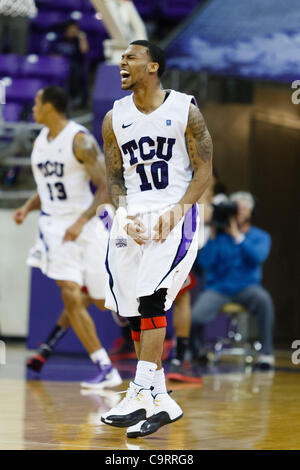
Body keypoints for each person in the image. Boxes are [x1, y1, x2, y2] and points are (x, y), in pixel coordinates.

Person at [100, 40, 212, 438]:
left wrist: (179, 210)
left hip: (173, 213)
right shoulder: (114, 117)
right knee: (132, 309)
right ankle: (161, 397)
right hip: (133, 219)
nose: (123, 63)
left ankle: (139, 388)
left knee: (152, 299)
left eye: (131, 57)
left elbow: (204, 170)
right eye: (122, 58)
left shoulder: (186, 109)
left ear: (154, 66)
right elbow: (114, 179)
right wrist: (122, 214)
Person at [13, 86, 122, 389]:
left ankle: (121, 309)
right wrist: (26, 207)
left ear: (50, 107)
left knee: (102, 301)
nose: (32, 108)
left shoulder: (80, 141)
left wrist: (82, 220)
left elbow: (106, 187)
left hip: (87, 224)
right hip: (55, 229)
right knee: (69, 292)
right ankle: (105, 367)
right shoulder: (39, 143)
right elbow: (47, 186)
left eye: (36, 103)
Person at [191, 191, 275, 368]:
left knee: (264, 301)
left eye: (243, 209)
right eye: (235, 209)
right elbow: (205, 262)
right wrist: (212, 235)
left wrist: (237, 236)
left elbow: (257, 257)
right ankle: (195, 351)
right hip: (219, 289)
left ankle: (266, 353)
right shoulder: (219, 237)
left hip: (247, 288)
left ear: (251, 213)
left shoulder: (260, 236)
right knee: (196, 316)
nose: (238, 213)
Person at [48, 20, 89, 108]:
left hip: (74, 66)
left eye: (75, 30)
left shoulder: (77, 40)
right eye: (71, 29)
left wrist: (82, 38)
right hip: (59, 65)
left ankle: (74, 98)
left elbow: (84, 50)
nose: (73, 32)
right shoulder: (58, 38)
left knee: (75, 70)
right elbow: (50, 53)